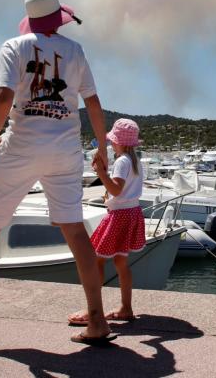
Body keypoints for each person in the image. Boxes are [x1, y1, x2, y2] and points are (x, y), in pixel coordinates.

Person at [0, 0, 115, 356]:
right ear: (58, 17)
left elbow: (3, 97)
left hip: (20, 147)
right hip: (64, 150)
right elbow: (93, 103)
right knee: (75, 230)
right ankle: (97, 320)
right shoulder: (75, 51)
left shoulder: (13, 46)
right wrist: (102, 147)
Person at [68, 118, 145, 325]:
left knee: (96, 260)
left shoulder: (121, 161)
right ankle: (126, 308)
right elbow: (124, 191)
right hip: (131, 213)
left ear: (119, 142)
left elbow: (116, 190)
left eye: (112, 141)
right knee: (121, 262)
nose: (110, 144)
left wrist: (101, 173)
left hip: (119, 216)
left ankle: (93, 310)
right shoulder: (135, 160)